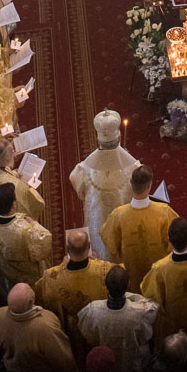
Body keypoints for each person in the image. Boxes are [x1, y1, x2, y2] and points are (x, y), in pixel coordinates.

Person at [68, 108, 138, 260]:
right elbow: (137, 193)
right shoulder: (134, 167)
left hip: (97, 220)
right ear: (119, 138)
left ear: (98, 139)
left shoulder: (83, 169)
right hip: (122, 221)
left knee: (100, 248)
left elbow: (79, 189)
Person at [141, 217, 187, 354]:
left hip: (172, 322)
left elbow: (151, 297)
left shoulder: (160, 268)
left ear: (169, 241)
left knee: (174, 353)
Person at [103, 164, 177, 292]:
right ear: (149, 186)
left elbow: (110, 242)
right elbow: (176, 239)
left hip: (130, 273)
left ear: (131, 184)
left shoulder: (118, 214)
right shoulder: (164, 212)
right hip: (157, 272)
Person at [0, 181, 53, 288]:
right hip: (26, 277)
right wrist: (33, 222)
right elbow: (45, 243)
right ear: (14, 204)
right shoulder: (25, 231)